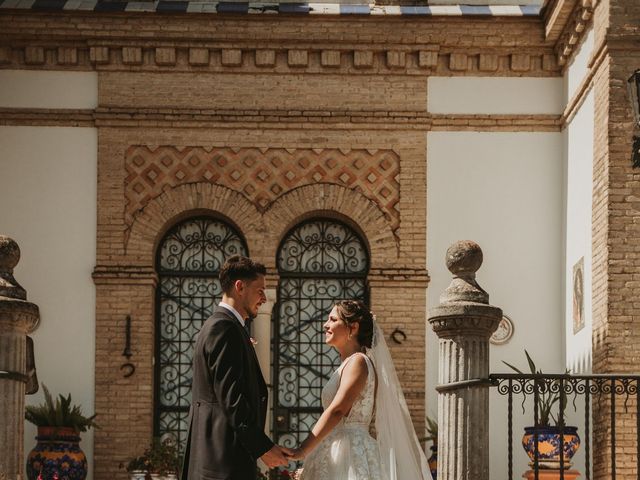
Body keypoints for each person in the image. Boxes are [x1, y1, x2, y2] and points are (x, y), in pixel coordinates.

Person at [289, 300, 431, 480]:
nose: (326, 325)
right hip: (337, 447)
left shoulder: (358, 362)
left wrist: (303, 450)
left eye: (333, 320)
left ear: (353, 327)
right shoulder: (348, 364)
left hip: (349, 454)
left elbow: (338, 410)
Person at [181, 255, 292, 480]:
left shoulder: (229, 327)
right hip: (221, 463)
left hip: (223, 459)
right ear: (240, 287)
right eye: (260, 290)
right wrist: (263, 448)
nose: (263, 298)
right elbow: (232, 399)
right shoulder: (224, 328)